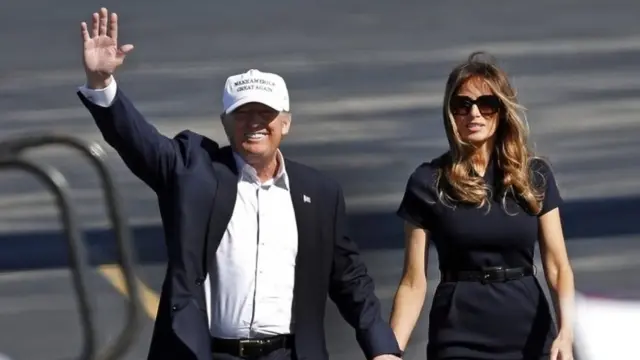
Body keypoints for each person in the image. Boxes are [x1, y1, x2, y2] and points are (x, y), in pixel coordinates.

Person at [76, 8, 401, 360]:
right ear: (225, 123)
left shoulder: (319, 192)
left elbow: (350, 278)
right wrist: (102, 84)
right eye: (243, 113)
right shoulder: (193, 170)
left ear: (286, 123)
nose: (255, 123)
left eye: (266, 114)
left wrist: (381, 348)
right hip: (208, 353)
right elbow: (138, 142)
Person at [389, 52, 576, 360]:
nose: (474, 114)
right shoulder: (427, 181)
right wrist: (390, 352)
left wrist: (566, 333)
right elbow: (413, 282)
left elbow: (558, 267)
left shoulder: (534, 176)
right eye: (463, 105)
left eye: (486, 104)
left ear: (501, 111)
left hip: (528, 332)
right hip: (457, 334)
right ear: (451, 114)